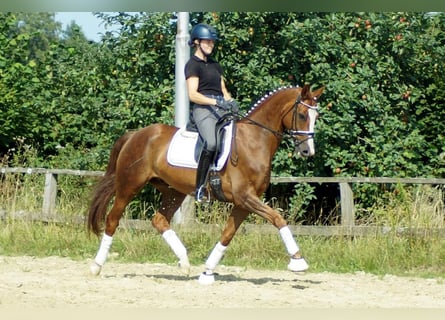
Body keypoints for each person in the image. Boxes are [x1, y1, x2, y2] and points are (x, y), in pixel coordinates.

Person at [184, 23, 239, 202]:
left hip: (220, 108)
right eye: (207, 42)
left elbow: (223, 89)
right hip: (202, 109)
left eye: (212, 42)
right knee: (212, 142)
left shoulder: (215, 65)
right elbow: (193, 95)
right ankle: (199, 187)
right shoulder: (193, 65)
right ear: (197, 42)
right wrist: (216, 102)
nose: (211, 45)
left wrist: (231, 102)